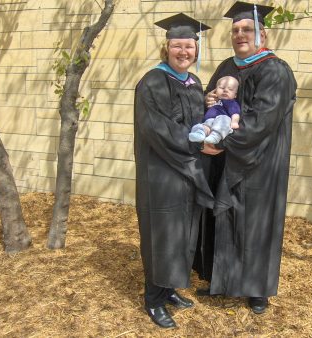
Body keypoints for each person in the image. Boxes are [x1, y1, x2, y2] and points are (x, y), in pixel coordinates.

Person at [196, 1, 297, 315]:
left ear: (262, 35)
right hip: (225, 158)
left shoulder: (276, 70)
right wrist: (207, 100)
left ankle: (256, 290)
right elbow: (211, 104)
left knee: (254, 224)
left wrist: (222, 142)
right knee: (224, 218)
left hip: (261, 163)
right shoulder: (228, 66)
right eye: (236, 30)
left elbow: (262, 121)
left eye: (247, 29)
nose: (240, 35)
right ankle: (221, 281)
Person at [133, 13, 212, 328]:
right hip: (162, 173)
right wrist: (198, 146)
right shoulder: (153, 81)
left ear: (196, 49)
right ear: (166, 49)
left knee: (182, 234)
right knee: (162, 236)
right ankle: (153, 299)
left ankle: (168, 290)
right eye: (177, 46)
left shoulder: (194, 83)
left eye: (189, 46)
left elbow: (200, 121)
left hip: (187, 171)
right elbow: (158, 130)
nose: (184, 52)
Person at [188, 76, 241, 144]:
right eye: (221, 88)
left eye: (230, 89)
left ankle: (215, 136)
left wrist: (234, 122)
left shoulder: (231, 102)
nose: (225, 90)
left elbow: (235, 113)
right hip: (209, 120)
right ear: (215, 90)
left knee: (223, 120)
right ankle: (199, 134)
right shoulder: (214, 100)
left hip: (222, 121)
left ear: (235, 95)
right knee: (203, 126)